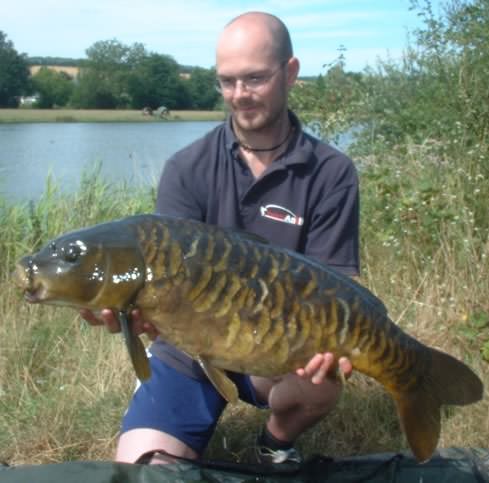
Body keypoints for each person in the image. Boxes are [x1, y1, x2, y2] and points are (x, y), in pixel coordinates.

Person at [82, 11, 359, 466]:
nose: (239, 95)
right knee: (142, 471)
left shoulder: (331, 172)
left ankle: (275, 440)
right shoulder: (187, 168)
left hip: (275, 345)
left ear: (290, 73)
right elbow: (156, 280)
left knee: (321, 381)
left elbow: (336, 288)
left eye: (254, 79)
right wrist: (130, 312)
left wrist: (332, 346)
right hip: (188, 352)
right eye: (227, 81)